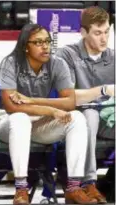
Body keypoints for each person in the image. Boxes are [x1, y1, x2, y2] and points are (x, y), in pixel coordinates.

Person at [0, 23, 98, 205]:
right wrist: (51, 110)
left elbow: (70, 102)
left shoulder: (58, 64)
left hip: (39, 123)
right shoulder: (10, 63)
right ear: (26, 46)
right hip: (7, 122)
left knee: (77, 118)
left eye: (47, 41)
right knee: (20, 119)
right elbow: (12, 107)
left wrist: (32, 100)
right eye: (38, 42)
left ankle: (73, 187)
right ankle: (21, 189)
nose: (45, 46)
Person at [56, 6, 115, 204]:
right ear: (83, 32)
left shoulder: (113, 57)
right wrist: (103, 90)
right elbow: (68, 97)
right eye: (98, 33)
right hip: (76, 119)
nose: (104, 38)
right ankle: (89, 182)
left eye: (107, 31)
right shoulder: (67, 55)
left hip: (108, 117)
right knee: (89, 115)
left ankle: (108, 184)